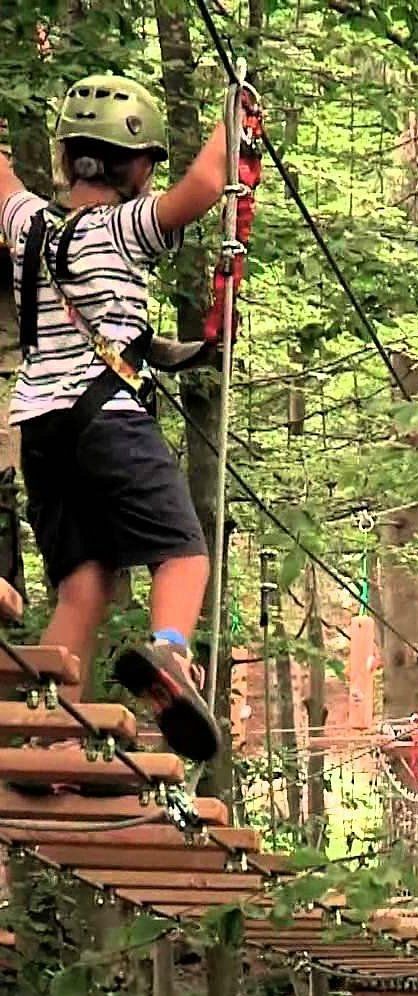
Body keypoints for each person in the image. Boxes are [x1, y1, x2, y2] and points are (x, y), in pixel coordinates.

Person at [0, 75, 230, 762]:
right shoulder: (127, 227)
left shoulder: (28, 225)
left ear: (72, 158)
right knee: (184, 551)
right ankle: (171, 652)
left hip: (38, 426)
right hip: (108, 416)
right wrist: (236, 117)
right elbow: (206, 187)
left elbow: (3, 182)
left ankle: (43, 729)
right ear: (133, 167)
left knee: (83, 583)